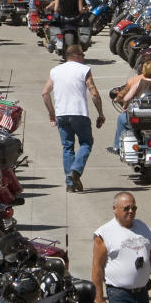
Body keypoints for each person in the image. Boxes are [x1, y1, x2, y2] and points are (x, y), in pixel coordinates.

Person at [41, 44, 106, 192]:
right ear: (75, 56)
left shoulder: (55, 71)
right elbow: (93, 92)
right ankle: (75, 171)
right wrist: (100, 113)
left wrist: (52, 113)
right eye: (82, 54)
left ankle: (70, 183)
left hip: (62, 114)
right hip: (79, 113)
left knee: (67, 147)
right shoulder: (84, 70)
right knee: (86, 143)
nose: (84, 57)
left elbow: (45, 93)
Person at [107, 60, 151, 154]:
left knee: (121, 118)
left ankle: (117, 147)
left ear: (144, 71)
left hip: (141, 120)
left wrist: (125, 104)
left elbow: (126, 98)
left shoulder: (138, 83)